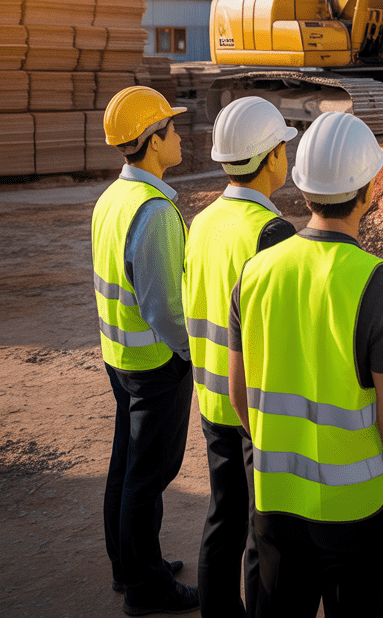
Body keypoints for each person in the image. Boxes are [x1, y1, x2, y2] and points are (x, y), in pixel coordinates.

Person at [227, 111, 383, 618]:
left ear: (303, 191)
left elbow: (238, 397)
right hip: (358, 512)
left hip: (275, 503)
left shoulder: (255, 273)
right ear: (368, 191)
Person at [182, 97, 298, 618]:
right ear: (270, 158)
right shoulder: (271, 233)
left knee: (222, 517)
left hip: (211, 400)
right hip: (253, 409)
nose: (287, 157)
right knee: (259, 529)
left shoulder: (202, 221)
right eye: (283, 147)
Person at [92, 85, 199, 615]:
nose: (179, 135)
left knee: (127, 468)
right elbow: (165, 309)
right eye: (172, 128)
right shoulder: (153, 210)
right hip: (156, 363)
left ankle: (129, 565)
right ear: (153, 141)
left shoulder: (113, 197)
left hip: (121, 356)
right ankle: (145, 587)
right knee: (148, 475)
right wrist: (190, 355)